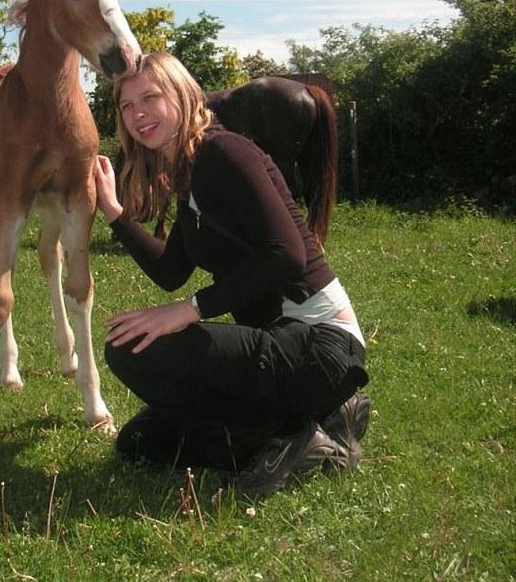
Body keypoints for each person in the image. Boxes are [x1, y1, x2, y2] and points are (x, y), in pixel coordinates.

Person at [94, 52, 370, 497]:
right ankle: (315, 424)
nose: (137, 113)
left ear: (183, 96)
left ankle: (287, 440)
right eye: (126, 106)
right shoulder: (188, 174)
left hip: (321, 345)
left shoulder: (224, 151)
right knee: (140, 443)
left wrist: (191, 310)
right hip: (281, 347)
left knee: (128, 351)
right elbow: (170, 271)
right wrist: (114, 214)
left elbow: (288, 256)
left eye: (150, 97)